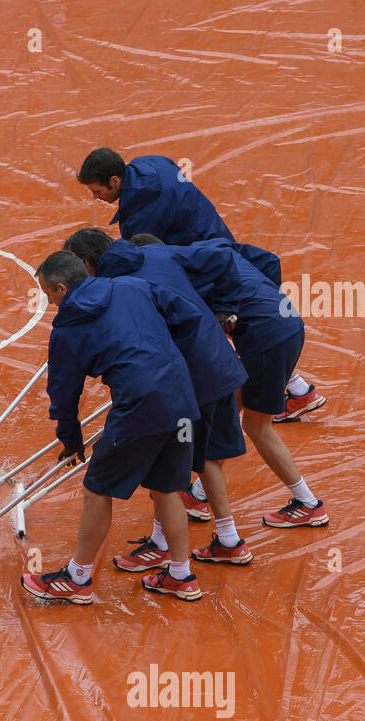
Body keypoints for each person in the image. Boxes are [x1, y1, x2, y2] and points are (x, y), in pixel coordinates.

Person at [76, 147, 326, 426]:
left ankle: (234, 409)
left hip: (198, 268)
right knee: (247, 323)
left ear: (115, 180)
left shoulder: (139, 215)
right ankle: (298, 390)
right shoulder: (152, 162)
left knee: (223, 325)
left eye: (97, 191)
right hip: (217, 244)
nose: (95, 198)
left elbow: (143, 258)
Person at [19, 251, 203, 605]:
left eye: (49, 295)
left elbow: (64, 391)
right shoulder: (133, 286)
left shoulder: (68, 328)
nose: (50, 303)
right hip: (181, 396)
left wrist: (71, 439)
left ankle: (77, 579)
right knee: (168, 488)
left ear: (61, 287)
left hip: (141, 404)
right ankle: (182, 576)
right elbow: (188, 315)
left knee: (96, 489)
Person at [65, 228, 254, 568]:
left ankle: (163, 548)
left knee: (168, 466)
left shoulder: (116, 288)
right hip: (220, 363)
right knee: (206, 457)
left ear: (85, 263)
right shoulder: (157, 253)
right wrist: (225, 310)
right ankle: (228, 540)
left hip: (186, 378)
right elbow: (224, 254)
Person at [132, 234, 330, 529]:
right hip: (286, 324)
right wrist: (262, 302)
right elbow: (268, 261)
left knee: (255, 426)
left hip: (266, 341)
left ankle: (308, 503)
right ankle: (199, 495)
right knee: (224, 411)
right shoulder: (206, 247)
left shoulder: (180, 275)